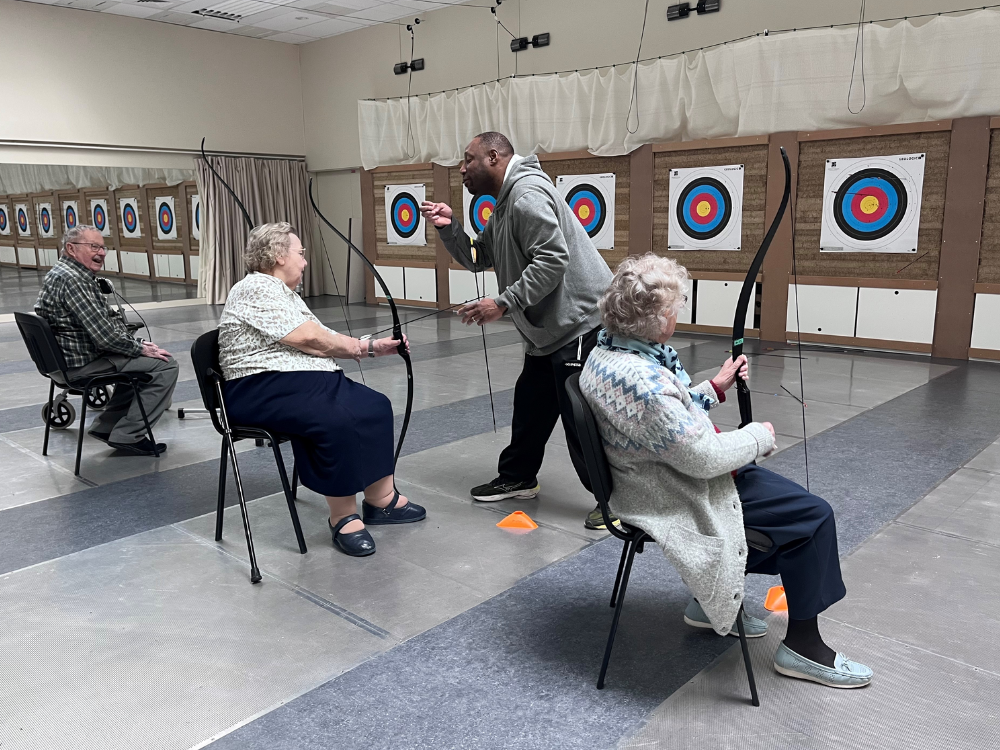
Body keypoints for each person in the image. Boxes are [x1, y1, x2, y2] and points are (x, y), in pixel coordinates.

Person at [579, 253, 873, 689]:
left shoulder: (610, 352)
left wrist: (714, 388)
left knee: (790, 514)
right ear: (658, 319)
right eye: (674, 307)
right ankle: (803, 647)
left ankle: (706, 600)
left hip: (661, 474)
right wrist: (759, 436)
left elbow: (663, 425)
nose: (678, 313)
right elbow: (702, 457)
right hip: (678, 490)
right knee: (812, 518)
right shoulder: (642, 381)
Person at [420, 131, 616, 530]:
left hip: (578, 325)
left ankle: (614, 501)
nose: (462, 169)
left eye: (468, 159)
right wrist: (449, 227)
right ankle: (519, 476)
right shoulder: (506, 204)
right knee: (530, 408)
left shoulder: (525, 197)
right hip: (549, 332)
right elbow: (479, 256)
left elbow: (554, 259)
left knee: (581, 418)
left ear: (494, 157)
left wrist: (504, 301)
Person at [218, 222, 425, 558]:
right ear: (278, 255)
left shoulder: (286, 295)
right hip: (258, 387)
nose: (304, 262)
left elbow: (322, 336)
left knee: (375, 405)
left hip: (300, 384)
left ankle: (381, 501)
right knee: (337, 419)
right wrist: (363, 347)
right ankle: (343, 517)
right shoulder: (254, 287)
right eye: (300, 254)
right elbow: (309, 339)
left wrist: (374, 347)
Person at [34, 225, 178, 456]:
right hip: (81, 365)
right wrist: (139, 348)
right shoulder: (75, 281)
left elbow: (104, 324)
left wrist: (137, 345)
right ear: (71, 248)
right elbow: (105, 337)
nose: (101, 253)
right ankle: (129, 435)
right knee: (165, 366)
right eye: (93, 246)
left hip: (63, 363)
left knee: (136, 361)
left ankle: (107, 427)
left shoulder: (60, 272)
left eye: (102, 247)